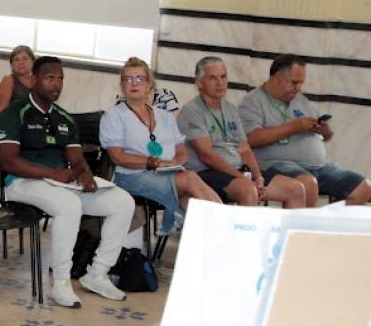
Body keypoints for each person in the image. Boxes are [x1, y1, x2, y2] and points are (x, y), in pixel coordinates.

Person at [0, 56, 135, 308]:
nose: (56, 84)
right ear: (34, 80)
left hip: (59, 184)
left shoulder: (64, 117)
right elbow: (8, 161)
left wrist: (85, 175)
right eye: (50, 78)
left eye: (60, 79)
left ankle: (97, 273)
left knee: (122, 202)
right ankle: (60, 284)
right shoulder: (15, 113)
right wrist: (51, 175)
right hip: (21, 183)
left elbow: (76, 158)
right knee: (69, 205)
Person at [100, 57, 219, 237]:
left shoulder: (165, 116)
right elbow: (118, 157)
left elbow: (181, 149)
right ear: (122, 85)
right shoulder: (114, 116)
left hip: (168, 173)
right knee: (190, 179)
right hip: (133, 176)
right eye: (128, 79)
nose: (134, 83)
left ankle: (208, 245)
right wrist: (153, 163)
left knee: (191, 202)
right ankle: (227, 225)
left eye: (140, 79)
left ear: (149, 84)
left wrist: (176, 162)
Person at [177, 56, 310, 208]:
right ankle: (245, 231)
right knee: (249, 190)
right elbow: (207, 156)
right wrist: (243, 178)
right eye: (212, 78)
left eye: (223, 77)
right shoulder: (191, 111)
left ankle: (290, 232)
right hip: (207, 172)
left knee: (296, 189)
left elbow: (245, 149)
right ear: (199, 83)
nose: (220, 83)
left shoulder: (231, 109)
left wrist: (258, 176)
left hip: (238, 171)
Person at [239, 54, 371, 206]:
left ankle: (332, 226)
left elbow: (325, 134)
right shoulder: (253, 101)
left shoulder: (300, 100)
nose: (298, 88)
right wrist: (292, 127)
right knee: (307, 183)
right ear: (277, 76)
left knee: (363, 188)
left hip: (318, 166)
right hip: (275, 164)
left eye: (301, 83)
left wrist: (324, 131)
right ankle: (304, 228)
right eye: (294, 82)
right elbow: (251, 139)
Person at [0, 45, 34, 113]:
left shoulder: (38, 81)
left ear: (32, 62)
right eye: (16, 60)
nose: (21, 63)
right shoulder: (8, 80)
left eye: (25, 59)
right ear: (12, 65)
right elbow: (2, 113)